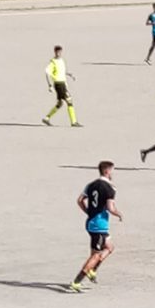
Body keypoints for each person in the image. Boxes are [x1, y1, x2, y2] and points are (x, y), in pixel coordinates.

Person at [72, 160, 123, 293]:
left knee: (110, 247)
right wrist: (119, 214)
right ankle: (77, 281)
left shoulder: (91, 185)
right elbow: (111, 208)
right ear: (107, 171)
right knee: (95, 255)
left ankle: (92, 270)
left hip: (92, 222)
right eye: (112, 170)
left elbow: (79, 200)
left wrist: (88, 211)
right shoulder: (110, 188)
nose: (113, 173)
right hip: (98, 225)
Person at [42, 45, 82, 127]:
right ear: (55, 52)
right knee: (69, 100)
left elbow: (61, 71)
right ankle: (73, 122)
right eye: (57, 52)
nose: (59, 53)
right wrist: (49, 85)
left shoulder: (61, 61)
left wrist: (68, 74)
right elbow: (47, 73)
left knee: (60, 103)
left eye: (60, 52)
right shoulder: (53, 62)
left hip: (63, 83)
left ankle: (47, 118)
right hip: (59, 84)